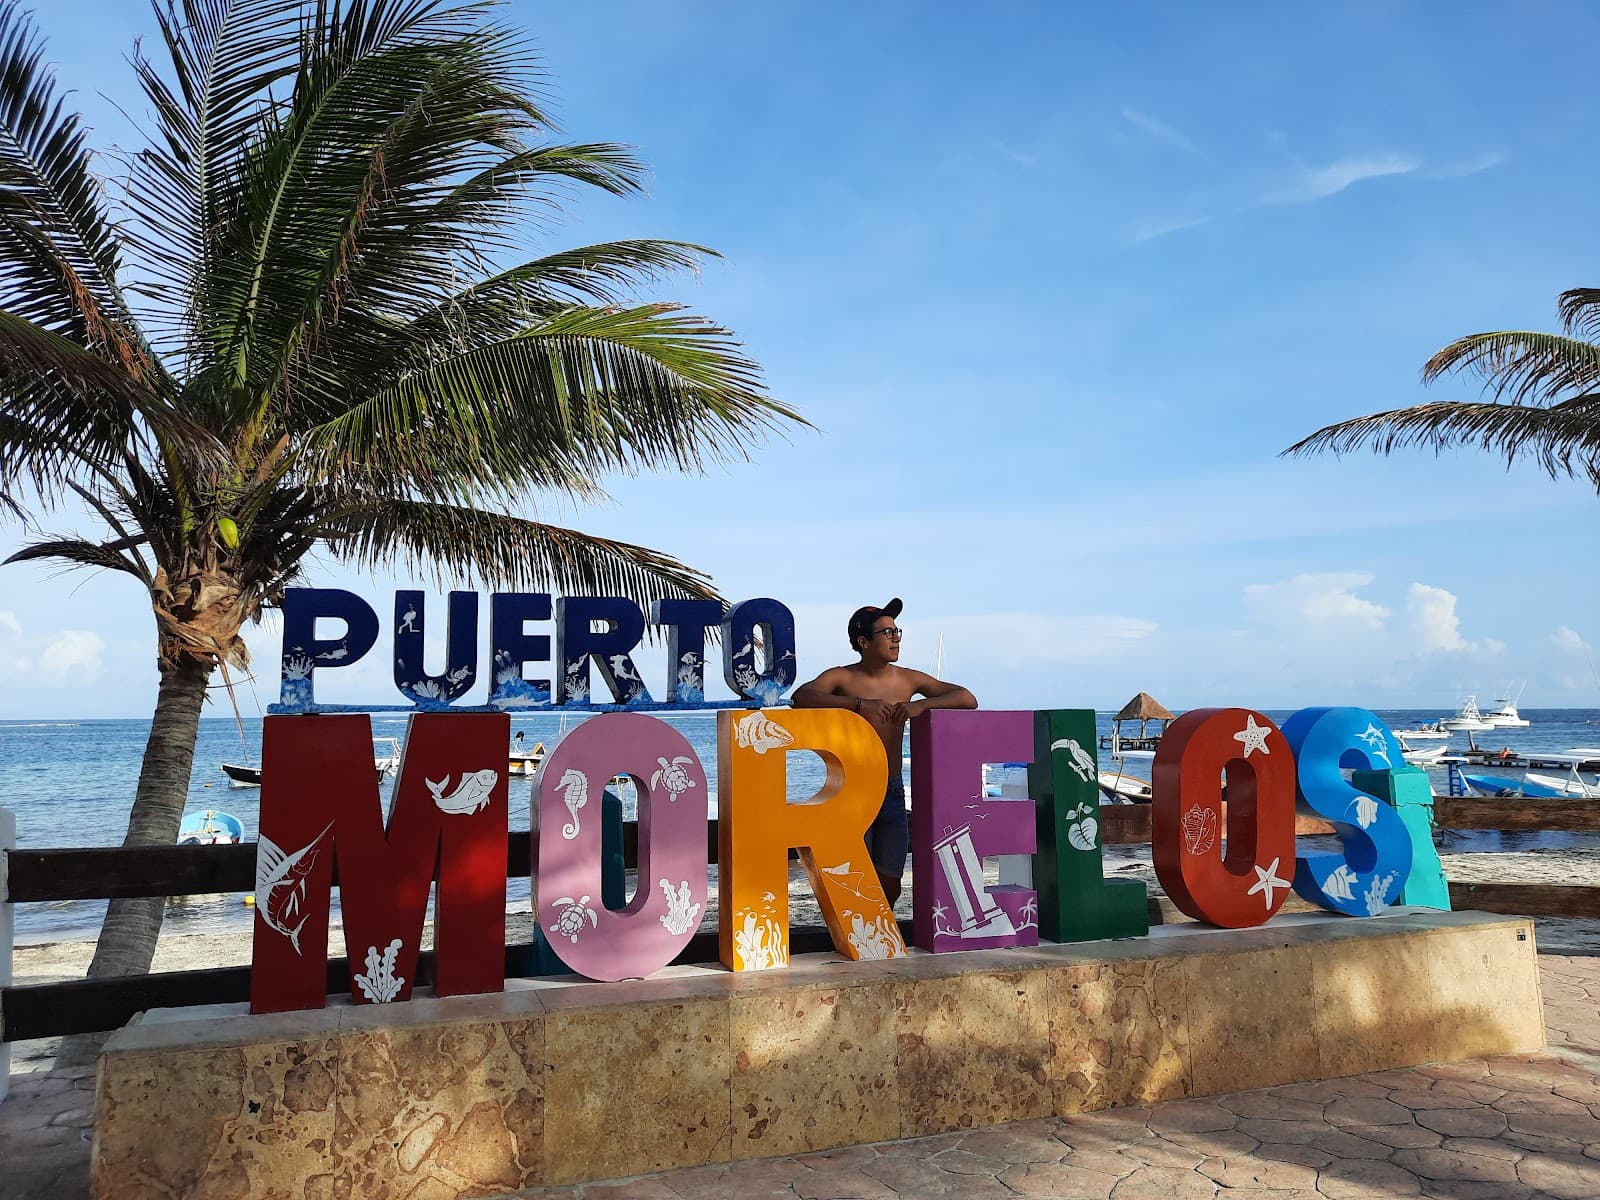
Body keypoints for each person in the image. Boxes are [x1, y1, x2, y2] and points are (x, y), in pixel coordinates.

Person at [791, 597, 976, 905]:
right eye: (886, 633)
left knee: (890, 881)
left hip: (891, 789)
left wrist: (920, 705)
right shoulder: (843, 677)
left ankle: (881, 941)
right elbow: (802, 696)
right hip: (852, 790)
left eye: (896, 631)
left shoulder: (908, 679)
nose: (895, 638)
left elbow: (966, 698)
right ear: (863, 641)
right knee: (855, 876)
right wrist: (860, 705)